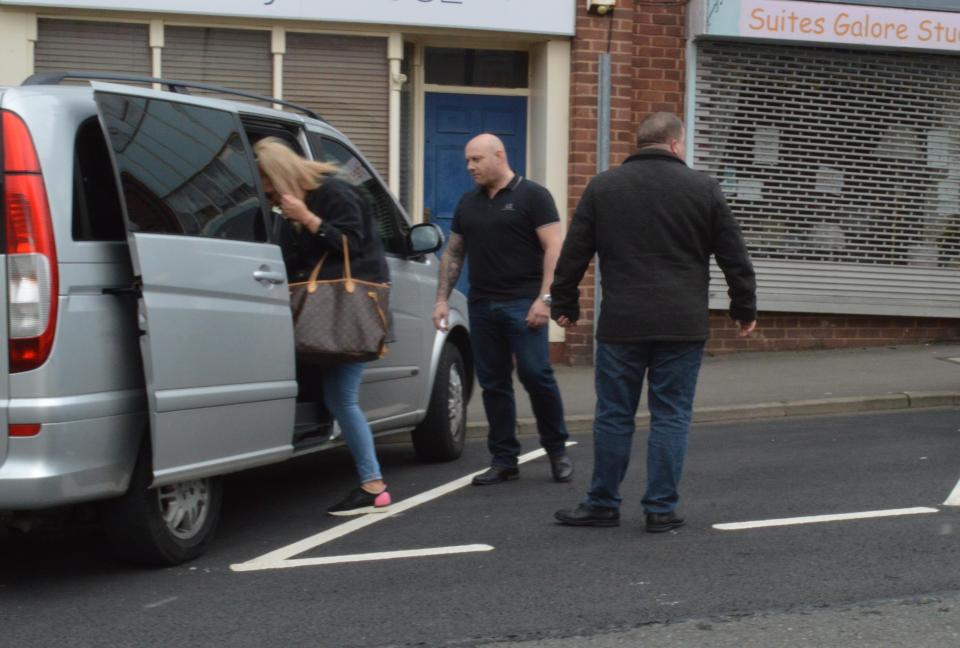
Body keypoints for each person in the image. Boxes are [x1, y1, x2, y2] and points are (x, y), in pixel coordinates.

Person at [551, 113, 757, 532]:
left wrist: (564, 302)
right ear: (676, 144)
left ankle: (602, 503)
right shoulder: (703, 188)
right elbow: (733, 255)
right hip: (681, 323)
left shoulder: (604, 187)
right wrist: (743, 308)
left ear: (640, 143)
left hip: (621, 322)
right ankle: (661, 509)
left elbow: (575, 251)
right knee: (670, 415)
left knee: (613, 414)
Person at [255, 137, 392, 516]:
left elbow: (352, 243)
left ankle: (373, 485)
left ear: (279, 175)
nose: (267, 196)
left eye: (267, 187)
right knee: (336, 398)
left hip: (346, 310)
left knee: (343, 399)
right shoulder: (297, 206)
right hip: (330, 313)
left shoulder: (332, 193)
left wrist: (309, 219)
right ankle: (371, 482)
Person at [432, 133, 573, 485]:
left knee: (536, 376)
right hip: (482, 305)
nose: (469, 167)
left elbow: (555, 248)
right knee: (493, 383)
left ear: (499, 155)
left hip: (525, 305)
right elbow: (453, 253)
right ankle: (504, 459)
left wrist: (545, 299)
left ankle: (557, 450)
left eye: (476, 159)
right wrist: (440, 300)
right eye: (467, 160)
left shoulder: (533, 196)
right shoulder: (468, 203)